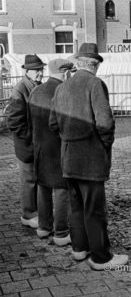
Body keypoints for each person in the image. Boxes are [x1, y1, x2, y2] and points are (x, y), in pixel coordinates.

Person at [49, 43, 128, 270]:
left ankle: (79, 249)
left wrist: (68, 137)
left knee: (76, 206)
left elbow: (53, 123)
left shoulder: (61, 88)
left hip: (68, 158)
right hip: (91, 160)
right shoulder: (95, 84)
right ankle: (101, 258)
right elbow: (105, 123)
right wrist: (104, 145)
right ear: (95, 65)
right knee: (94, 209)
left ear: (77, 63)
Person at [28, 58, 73, 246]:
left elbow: (29, 121)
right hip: (58, 149)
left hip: (39, 147)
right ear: (65, 73)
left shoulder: (35, 91)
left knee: (43, 187)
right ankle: (61, 233)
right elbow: (65, 123)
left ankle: (43, 227)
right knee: (62, 189)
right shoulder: (64, 91)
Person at [7, 54, 46, 229]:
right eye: (36, 70)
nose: (40, 73)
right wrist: (30, 139)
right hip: (27, 146)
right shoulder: (20, 89)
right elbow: (14, 121)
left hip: (38, 145)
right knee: (29, 180)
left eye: (41, 69)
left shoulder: (37, 86)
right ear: (27, 71)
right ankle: (28, 214)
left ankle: (36, 212)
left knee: (37, 179)